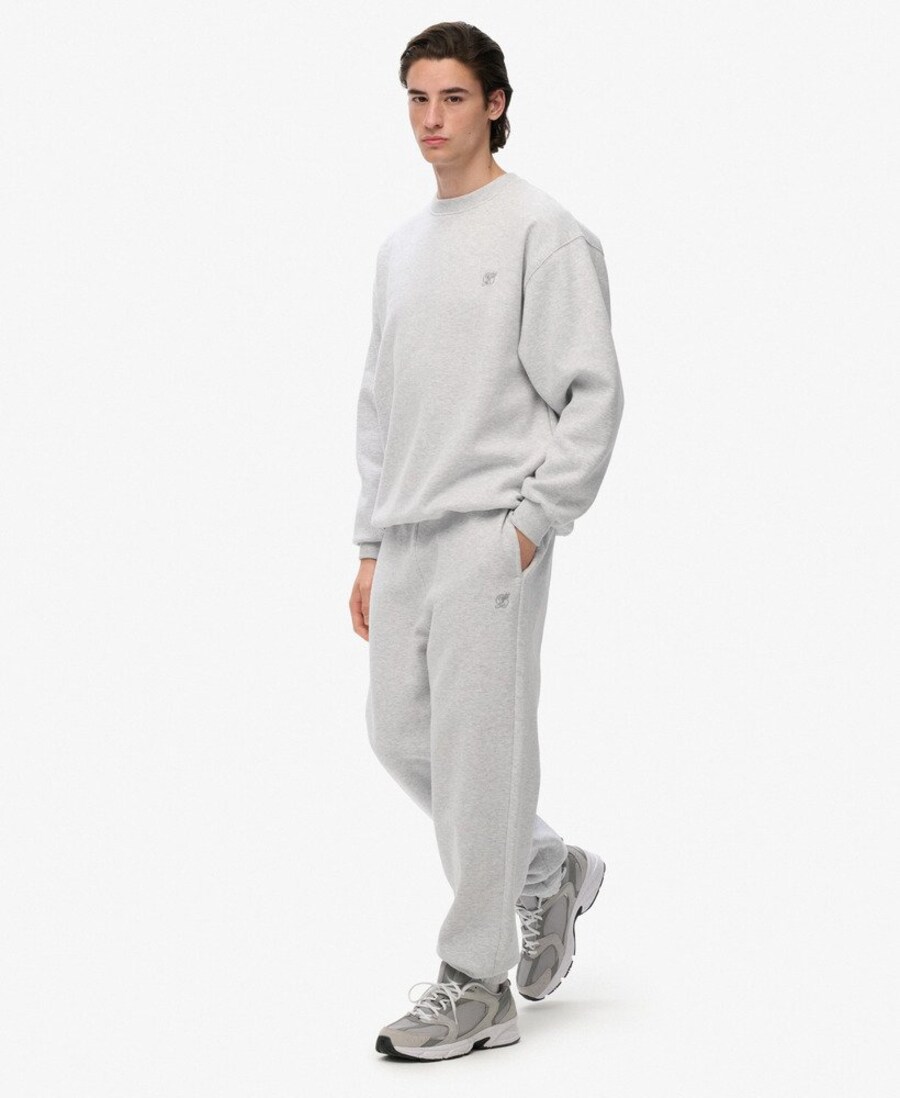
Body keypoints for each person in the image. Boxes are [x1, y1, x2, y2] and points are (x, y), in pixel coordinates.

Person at [348, 21, 625, 1062]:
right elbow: (380, 405)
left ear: (496, 103)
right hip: (408, 533)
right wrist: (370, 544)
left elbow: (591, 393)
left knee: (478, 753)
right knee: (399, 736)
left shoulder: (541, 232)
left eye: (453, 97)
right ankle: (547, 869)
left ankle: (477, 985)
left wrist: (530, 526)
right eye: (417, 98)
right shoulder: (401, 250)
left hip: (489, 534)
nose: (431, 119)